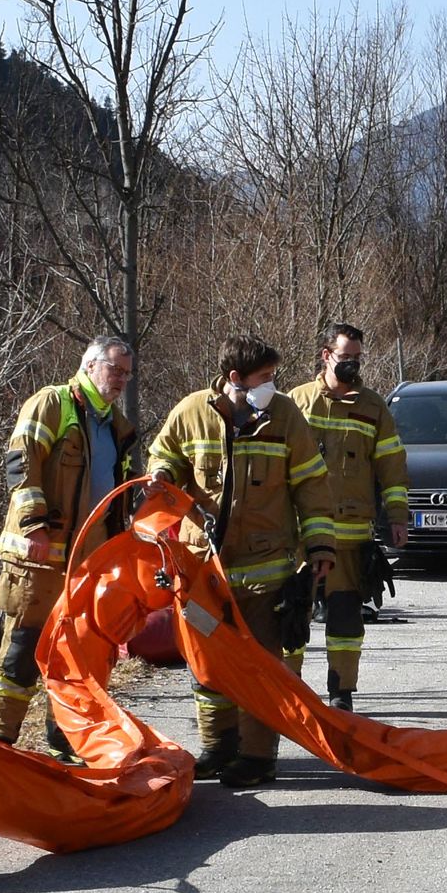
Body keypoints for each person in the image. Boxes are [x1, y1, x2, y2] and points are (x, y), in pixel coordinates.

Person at [148, 336, 326, 786]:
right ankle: (218, 746)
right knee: (206, 663)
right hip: (203, 571)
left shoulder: (285, 415)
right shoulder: (190, 412)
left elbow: (312, 485)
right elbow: (162, 457)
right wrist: (163, 475)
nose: (272, 385)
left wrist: (320, 548)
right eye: (264, 378)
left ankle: (257, 756)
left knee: (262, 666)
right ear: (235, 379)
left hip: (266, 573)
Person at [0, 337, 138, 754]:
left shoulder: (116, 426)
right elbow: (20, 463)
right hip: (38, 561)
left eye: (127, 373)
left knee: (78, 654)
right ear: (90, 365)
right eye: (116, 370)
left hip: (88, 566)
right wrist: (34, 524)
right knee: (21, 650)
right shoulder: (53, 404)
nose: (122, 380)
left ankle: (66, 740)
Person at [287, 323, 408, 711]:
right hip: (299, 534)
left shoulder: (373, 407)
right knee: (292, 613)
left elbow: (391, 465)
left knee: (345, 620)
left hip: (350, 537)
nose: (352, 366)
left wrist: (398, 515)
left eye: (357, 359)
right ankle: (288, 691)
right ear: (326, 355)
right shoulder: (296, 402)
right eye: (345, 358)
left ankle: (342, 692)